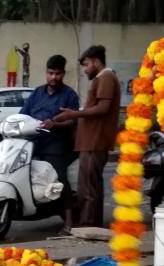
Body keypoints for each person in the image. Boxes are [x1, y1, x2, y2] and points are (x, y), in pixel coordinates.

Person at [53, 45, 120, 228]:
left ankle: (87, 225)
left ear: (97, 62)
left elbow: (103, 108)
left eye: (87, 65)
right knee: (90, 185)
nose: (85, 70)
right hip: (91, 141)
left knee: (88, 188)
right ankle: (92, 225)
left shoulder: (106, 77)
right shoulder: (102, 78)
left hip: (95, 141)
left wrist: (73, 114)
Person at [20, 54, 80, 228]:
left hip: (57, 143)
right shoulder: (37, 93)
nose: (54, 77)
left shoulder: (69, 95)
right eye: (50, 73)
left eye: (58, 73)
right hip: (34, 141)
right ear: (46, 73)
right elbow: (23, 114)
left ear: (63, 74)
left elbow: (72, 121)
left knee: (59, 178)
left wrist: (55, 123)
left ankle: (69, 222)